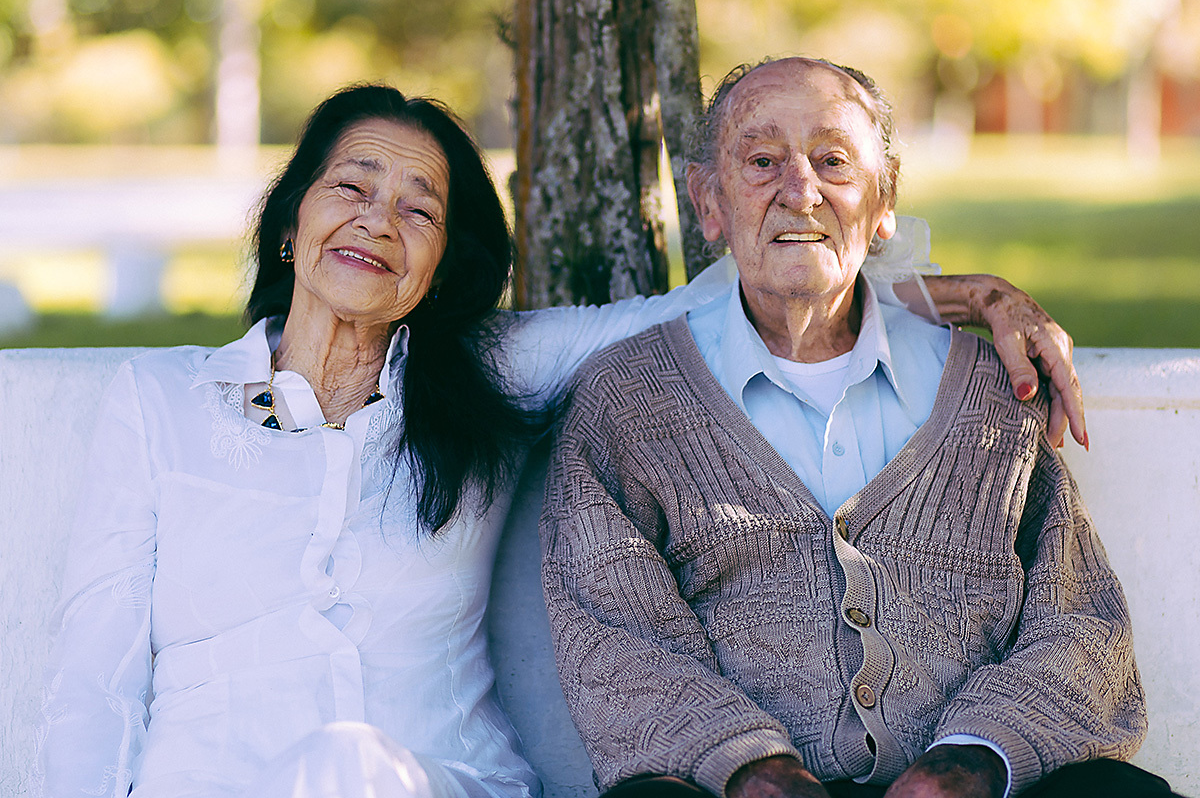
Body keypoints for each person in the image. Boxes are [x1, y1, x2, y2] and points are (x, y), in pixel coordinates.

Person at [36, 83, 1082, 798]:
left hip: (430, 779)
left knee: (342, 762)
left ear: (443, 266)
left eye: (419, 209)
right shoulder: (157, 400)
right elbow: (95, 674)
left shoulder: (485, 374)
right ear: (289, 223)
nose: (376, 221)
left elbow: (718, 298)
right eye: (351, 187)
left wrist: (968, 294)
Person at [541, 58, 1178, 798]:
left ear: (884, 204)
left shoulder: (992, 390)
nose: (800, 190)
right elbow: (615, 637)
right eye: (762, 161)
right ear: (709, 202)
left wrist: (971, 760)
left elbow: (1078, 620)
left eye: (833, 160)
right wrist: (753, 770)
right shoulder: (627, 400)